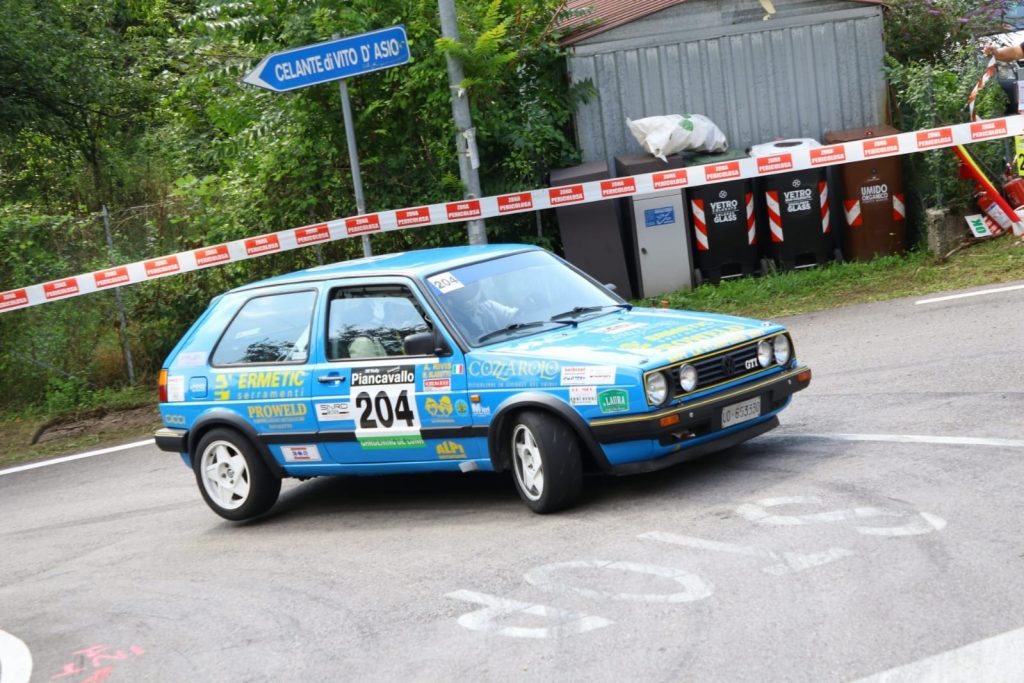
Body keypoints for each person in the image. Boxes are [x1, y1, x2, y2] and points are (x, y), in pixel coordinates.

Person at [444, 279, 518, 343]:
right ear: (452, 298)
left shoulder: (490, 307)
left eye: (469, 292)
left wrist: (524, 309)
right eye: (460, 295)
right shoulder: (450, 322)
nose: (468, 302)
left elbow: (515, 316)